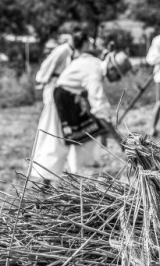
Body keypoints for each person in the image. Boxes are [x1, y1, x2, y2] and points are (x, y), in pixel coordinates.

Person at [29, 32, 131, 182]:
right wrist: (119, 140)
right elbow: (100, 108)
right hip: (61, 102)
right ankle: (46, 184)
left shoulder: (93, 62)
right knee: (55, 141)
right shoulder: (95, 73)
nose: (116, 80)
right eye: (118, 76)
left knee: (89, 132)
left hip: (72, 100)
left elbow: (90, 101)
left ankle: (82, 172)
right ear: (112, 69)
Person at [35, 33, 74, 106]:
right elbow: (51, 64)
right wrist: (44, 79)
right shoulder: (63, 50)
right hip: (54, 81)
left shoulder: (68, 50)